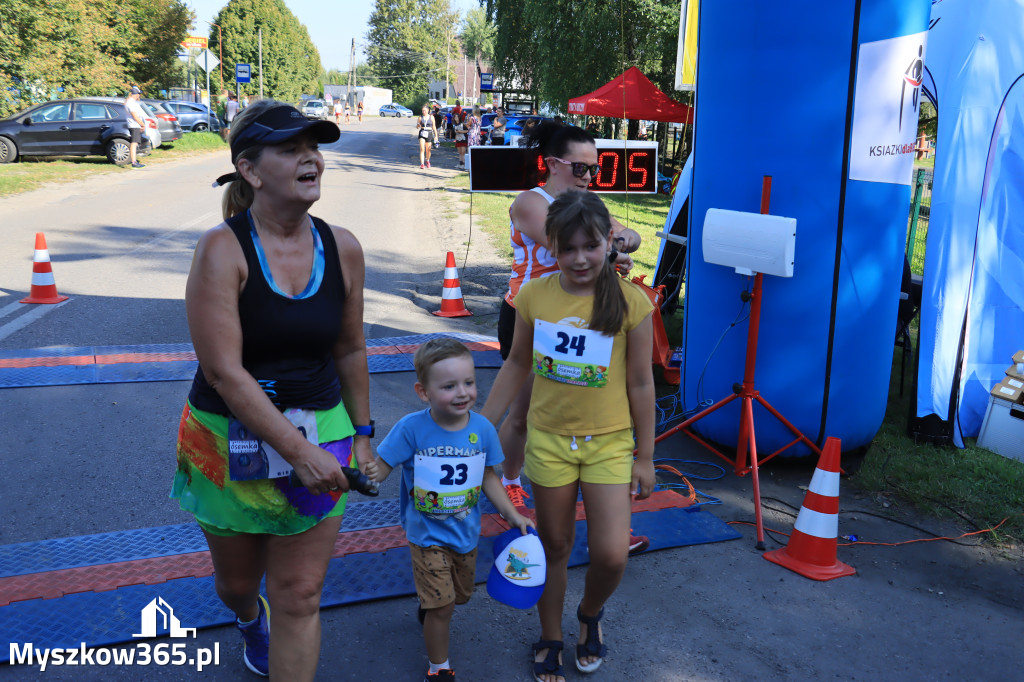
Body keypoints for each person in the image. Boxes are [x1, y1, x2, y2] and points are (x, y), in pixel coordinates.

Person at [174, 100, 371, 680]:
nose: (310, 157)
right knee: (237, 585)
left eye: (313, 147)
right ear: (252, 171)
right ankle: (243, 617)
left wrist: (361, 435)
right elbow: (223, 373)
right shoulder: (222, 248)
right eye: (291, 148)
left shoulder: (345, 247)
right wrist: (297, 451)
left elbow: (350, 348)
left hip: (323, 428)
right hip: (224, 437)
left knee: (300, 594)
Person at [482, 191, 656, 682]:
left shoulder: (630, 302)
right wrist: (481, 425)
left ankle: (589, 614)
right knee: (554, 546)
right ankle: (552, 633)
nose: (579, 258)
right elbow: (517, 363)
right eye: (567, 248)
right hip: (550, 441)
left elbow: (643, 384)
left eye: (591, 246)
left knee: (611, 553)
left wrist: (646, 456)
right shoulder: (534, 295)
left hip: (610, 444)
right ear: (552, 248)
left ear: (608, 244)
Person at [494, 122, 641, 548]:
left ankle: (609, 525)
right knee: (523, 414)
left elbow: (625, 235)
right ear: (553, 164)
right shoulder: (530, 202)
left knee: (589, 410)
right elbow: (564, 243)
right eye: (581, 169)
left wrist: (621, 240)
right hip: (530, 317)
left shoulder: (587, 200)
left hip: (580, 317)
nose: (589, 178)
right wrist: (611, 250)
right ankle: (507, 482)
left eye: (594, 170)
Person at [370, 338, 534, 682]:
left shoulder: (482, 430)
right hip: (425, 534)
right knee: (443, 607)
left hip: (465, 532)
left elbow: (489, 476)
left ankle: (429, 605)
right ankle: (438, 668)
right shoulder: (411, 428)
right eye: (449, 386)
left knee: (459, 597)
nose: (462, 392)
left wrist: (512, 514)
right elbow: (382, 467)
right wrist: (370, 473)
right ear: (423, 391)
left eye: (469, 382)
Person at [125, 86, 146, 169]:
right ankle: (134, 162)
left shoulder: (129, 102)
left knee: (135, 143)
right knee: (134, 143)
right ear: (136, 94)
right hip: (134, 125)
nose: (139, 96)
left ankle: (134, 161)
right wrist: (142, 124)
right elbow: (135, 116)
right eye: (139, 94)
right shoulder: (131, 103)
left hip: (133, 125)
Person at [417, 105, 437, 169]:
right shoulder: (420, 117)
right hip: (422, 133)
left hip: (429, 133)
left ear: (428, 110)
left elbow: (434, 127)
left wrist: (436, 135)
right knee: (422, 149)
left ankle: (427, 160)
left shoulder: (431, 117)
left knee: (428, 150)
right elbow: (417, 126)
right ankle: (422, 164)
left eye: (424, 110)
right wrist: (418, 125)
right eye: (422, 110)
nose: (423, 112)